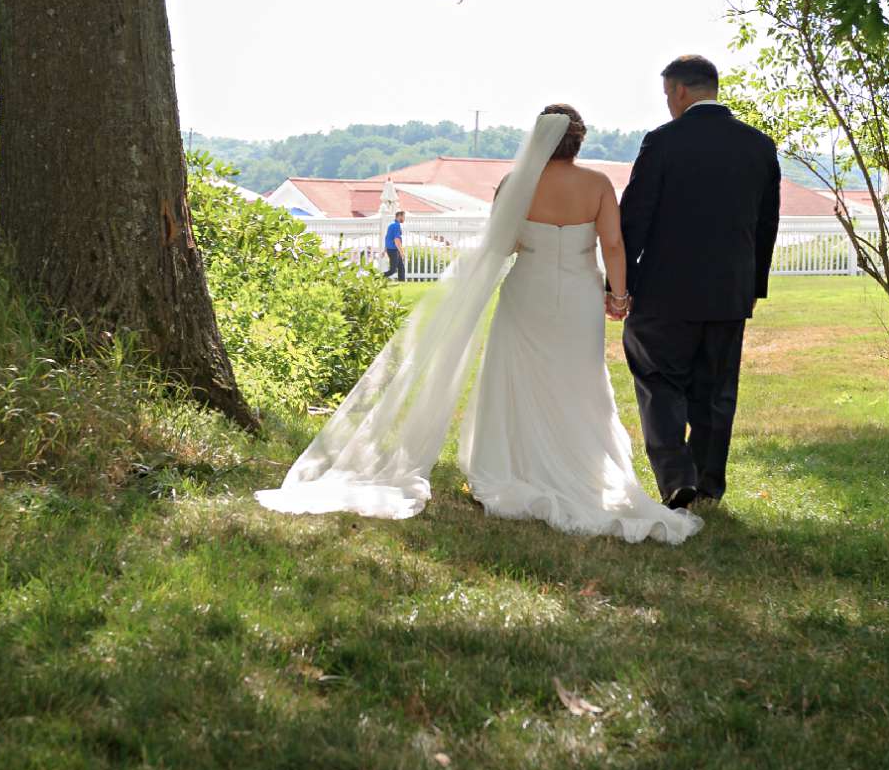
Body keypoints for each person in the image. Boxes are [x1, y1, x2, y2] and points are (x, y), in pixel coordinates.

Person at [256, 106, 699, 544]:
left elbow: (502, 244)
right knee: (579, 380)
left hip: (529, 291)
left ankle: (513, 467)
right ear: (579, 140)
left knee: (519, 377)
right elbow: (614, 244)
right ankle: (583, 467)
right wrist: (618, 296)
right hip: (581, 296)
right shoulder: (599, 184)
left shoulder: (516, 184)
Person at [616, 54, 781, 509]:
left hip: (665, 292)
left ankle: (676, 479)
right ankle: (709, 485)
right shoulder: (759, 145)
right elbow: (767, 225)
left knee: (657, 378)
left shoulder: (662, 143)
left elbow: (635, 220)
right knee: (716, 391)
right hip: (729, 292)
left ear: (680, 92)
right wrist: (752, 287)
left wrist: (620, 284)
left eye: (667, 93)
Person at [383, 209, 406, 280]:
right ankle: (376, 277)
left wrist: (385, 250)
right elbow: (396, 240)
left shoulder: (391, 225)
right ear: (399, 216)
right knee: (393, 270)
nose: (404, 219)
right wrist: (402, 252)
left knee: (401, 267)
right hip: (393, 250)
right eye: (403, 217)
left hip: (392, 250)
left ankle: (402, 284)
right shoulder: (396, 226)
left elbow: (387, 238)